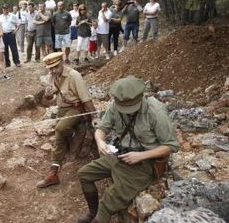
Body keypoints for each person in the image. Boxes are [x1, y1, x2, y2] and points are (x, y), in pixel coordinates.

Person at [77, 77, 179, 223]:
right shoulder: (116, 105)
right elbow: (102, 129)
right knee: (84, 174)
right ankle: (92, 213)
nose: (128, 112)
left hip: (144, 163)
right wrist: (100, 141)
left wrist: (141, 155)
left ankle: (100, 216)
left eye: (131, 108)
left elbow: (171, 145)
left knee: (109, 201)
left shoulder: (156, 112)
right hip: (119, 154)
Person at [36, 52, 97, 189]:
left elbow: (86, 98)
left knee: (60, 128)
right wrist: (47, 95)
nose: (52, 71)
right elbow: (48, 100)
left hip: (76, 109)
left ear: (62, 62)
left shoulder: (74, 75)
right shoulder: (53, 76)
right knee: (59, 137)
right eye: (50, 68)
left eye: (55, 67)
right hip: (62, 109)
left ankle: (77, 133)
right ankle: (53, 173)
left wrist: (94, 116)